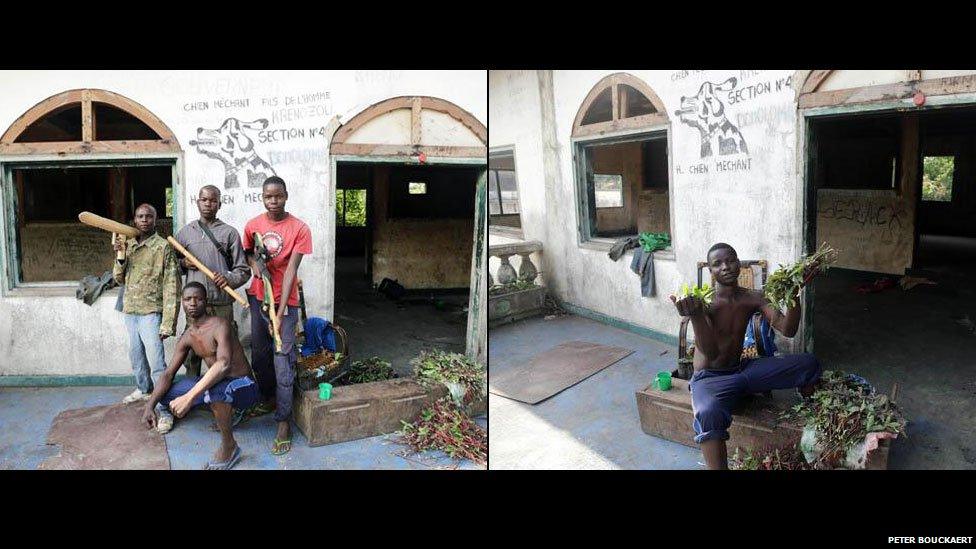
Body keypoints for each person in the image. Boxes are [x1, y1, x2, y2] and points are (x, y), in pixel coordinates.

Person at [670, 243, 822, 470]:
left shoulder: (753, 298)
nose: (725, 267)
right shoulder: (705, 303)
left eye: (730, 260)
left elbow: (787, 329)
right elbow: (710, 352)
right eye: (717, 264)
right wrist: (695, 315)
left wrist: (795, 291)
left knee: (809, 363)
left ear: (739, 263)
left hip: (742, 369)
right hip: (710, 379)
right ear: (710, 271)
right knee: (708, 412)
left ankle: (812, 406)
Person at [141, 282, 261, 470]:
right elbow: (168, 374)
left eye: (198, 298)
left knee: (216, 394)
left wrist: (189, 397)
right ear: (182, 302)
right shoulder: (188, 336)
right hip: (217, 383)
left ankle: (230, 446)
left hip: (243, 385)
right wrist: (150, 406)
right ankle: (220, 409)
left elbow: (223, 364)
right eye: (188, 299)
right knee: (164, 394)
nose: (193, 303)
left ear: (206, 302)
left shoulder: (220, 325)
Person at [243, 176, 312, 456]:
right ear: (262, 197)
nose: (273, 202)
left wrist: (281, 312)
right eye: (268, 197)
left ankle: (283, 421)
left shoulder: (300, 229)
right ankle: (269, 398)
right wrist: (254, 266)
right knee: (260, 355)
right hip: (258, 299)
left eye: (278, 196)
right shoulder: (253, 225)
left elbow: (291, 272)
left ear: (286, 195)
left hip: (285, 302)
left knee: (282, 360)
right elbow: (248, 251)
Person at [112, 204, 180, 433]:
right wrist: (120, 255)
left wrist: (168, 322)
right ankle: (143, 389)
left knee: (157, 364)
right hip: (131, 311)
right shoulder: (129, 244)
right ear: (134, 219)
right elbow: (119, 279)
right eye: (140, 216)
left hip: (152, 313)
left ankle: (164, 409)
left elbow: (172, 285)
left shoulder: (163, 247)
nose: (144, 220)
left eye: (148, 216)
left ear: (155, 219)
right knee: (137, 356)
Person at [174, 185, 250, 378]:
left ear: (219, 204)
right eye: (204, 199)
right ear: (197, 202)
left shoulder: (229, 233)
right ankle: (192, 397)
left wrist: (228, 278)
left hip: (222, 304)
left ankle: (223, 398)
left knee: (224, 356)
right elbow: (171, 267)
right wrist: (183, 262)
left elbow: (243, 270)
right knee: (191, 355)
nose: (208, 204)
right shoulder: (185, 233)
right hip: (194, 306)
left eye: (213, 200)